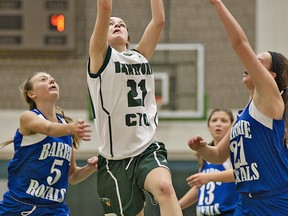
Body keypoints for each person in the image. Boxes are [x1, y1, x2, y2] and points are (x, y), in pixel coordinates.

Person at [188, 0, 288, 215]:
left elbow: (240, 43)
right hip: (244, 202)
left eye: (258, 61)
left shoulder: (271, 100)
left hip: (274, 200)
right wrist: (201, 148)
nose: (250, 62)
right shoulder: (243, 115)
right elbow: (217, 156)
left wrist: (216, 3)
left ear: (270, 77)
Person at [87, 0, 183, 215]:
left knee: (165, 188)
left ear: (129, 37)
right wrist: (106, 15)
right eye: (111, 24)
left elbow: (159, 21)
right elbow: (104, 6)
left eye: (121, 24)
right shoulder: (100, 56)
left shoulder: (139, 56)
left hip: (146, 148)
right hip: (115, 160)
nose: (116, 24)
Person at [0, 72, 98, 216]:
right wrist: (70, 128)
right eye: (43, 79)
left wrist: (90, 168)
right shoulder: (28, 117)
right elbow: (49, 129)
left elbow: (72, 176)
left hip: (54, 209)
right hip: (20, 206)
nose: (51, 80)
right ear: (31, 94)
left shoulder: (65, 128)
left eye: (53, 79)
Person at [179, 108, 239, 215]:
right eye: (214, 120)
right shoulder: (204, 155)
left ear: (231, 127)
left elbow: (239, 173)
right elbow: (201, 186)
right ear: (208, 126)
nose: (218, 124)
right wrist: (178, 206)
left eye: (224, 121)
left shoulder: (235, 150)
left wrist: (209, 177)